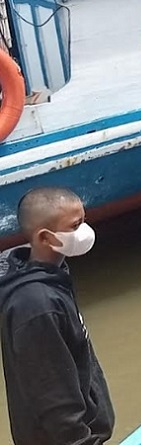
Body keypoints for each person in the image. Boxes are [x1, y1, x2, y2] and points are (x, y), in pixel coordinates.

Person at [0, 187, 115, 445]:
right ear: (45, 237)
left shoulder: (54, 275)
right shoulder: (37, 307)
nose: (84, 231)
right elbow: (53, 398)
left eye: (83, 220)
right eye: (75, 225)